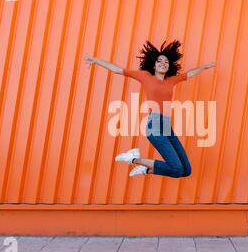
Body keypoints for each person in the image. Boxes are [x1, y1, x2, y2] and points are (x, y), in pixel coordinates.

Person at [82, 40, 215, 177]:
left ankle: (146, 170)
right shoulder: (145, 77)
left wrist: (203, 67)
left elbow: (190, 74)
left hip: (167, 127)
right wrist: (96, 60)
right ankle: (133, 158)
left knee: (186, 171)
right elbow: (117, 70)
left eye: (166, 62)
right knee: (176, 169)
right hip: (154, 125)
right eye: (159, 61)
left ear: (169, 66)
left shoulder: (172, 80)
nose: (163, 64)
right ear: (154, 64)